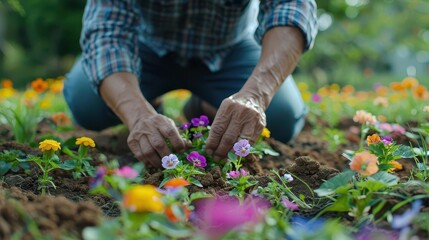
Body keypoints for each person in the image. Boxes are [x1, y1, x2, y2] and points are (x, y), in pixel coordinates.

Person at [63, 0, 318, 168]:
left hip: (230, 49)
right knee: (88, 101)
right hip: (146, 48)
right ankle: (148, 102)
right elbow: (106, 33)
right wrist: (138, 115)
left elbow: (291, 6)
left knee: (280, 117)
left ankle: (205, 108)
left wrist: (256, 94)